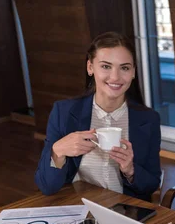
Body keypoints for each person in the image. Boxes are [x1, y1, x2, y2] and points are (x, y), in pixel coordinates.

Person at [35, 32, 161, 201]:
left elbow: (152, 184)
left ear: (133, 72)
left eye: (124, 68)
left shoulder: (149, 119)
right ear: (90, 67)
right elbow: (47, 187)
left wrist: (130, 170)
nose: (115, 77)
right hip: (79, 210)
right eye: (106, 66)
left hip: (125, 212)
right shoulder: (63, 112)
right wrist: (59, 150)